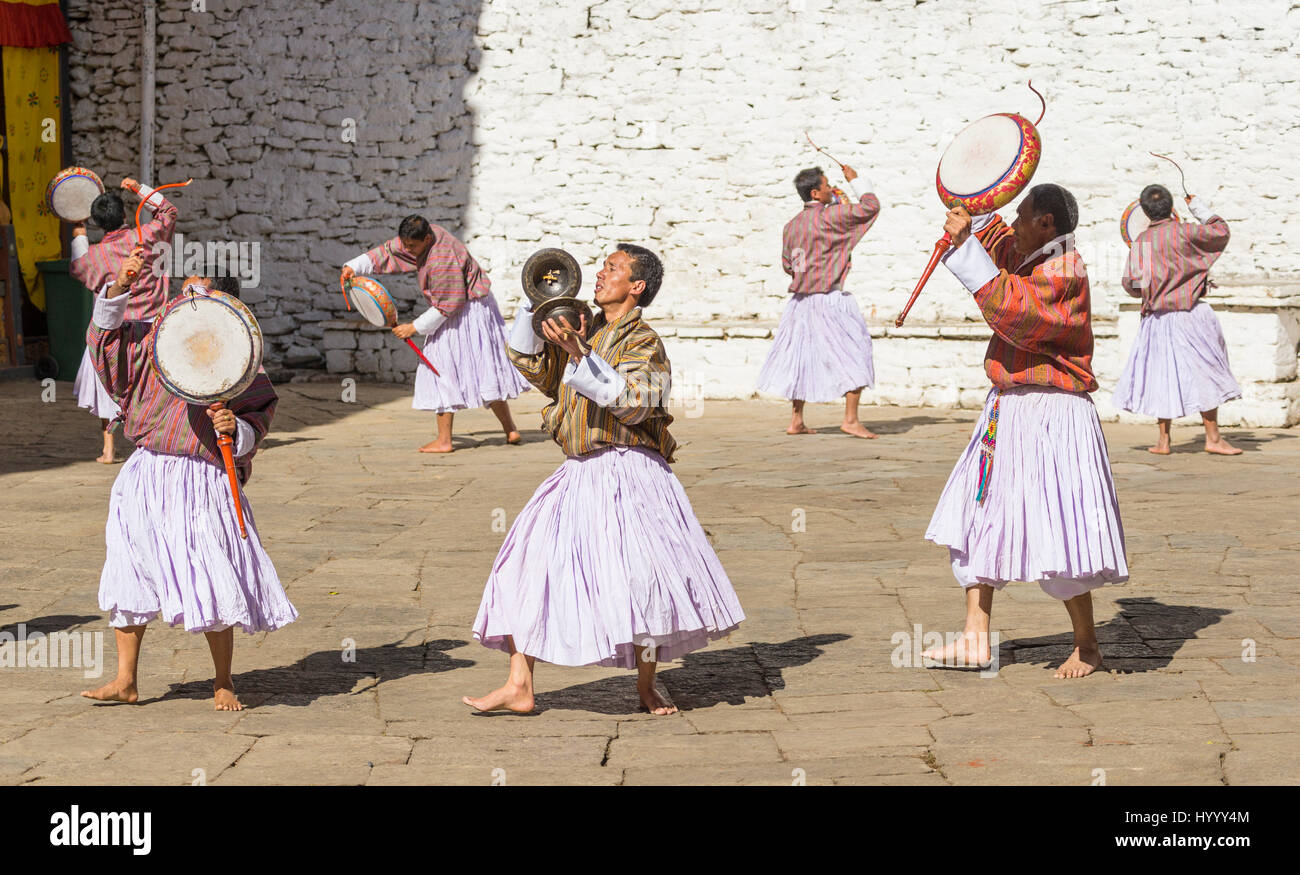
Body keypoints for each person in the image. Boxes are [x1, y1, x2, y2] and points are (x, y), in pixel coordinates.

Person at [464, 244, 745, 715]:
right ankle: (519, 684)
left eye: (612, 269)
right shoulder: (584, 325)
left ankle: (647, 685)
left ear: (636, 286)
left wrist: (581, 353)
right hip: (578, 470)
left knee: (642, 580)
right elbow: (535, 366)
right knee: (527, 565)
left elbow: (637, 402)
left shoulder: (645, 342)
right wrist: (538, 303)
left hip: (630, 470)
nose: (598, 274)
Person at [920, 184, 1127, 680]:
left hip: (1053, 413)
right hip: (1007, 408)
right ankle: (974, 636)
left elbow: (1018, 311)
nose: (1013, 222)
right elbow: (992, 241)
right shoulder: (1029, 253)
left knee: (1058, 526)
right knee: (977, 511)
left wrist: (968, 248)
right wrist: (970, 203)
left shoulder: (1064, 270)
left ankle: (1088, 645)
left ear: (1048, 223)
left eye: (1023, 213)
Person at [80, 254, 296, 710]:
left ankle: (223, 681)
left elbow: (261, 415)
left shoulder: (242, 361)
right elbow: (107, 345)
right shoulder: (159, 339)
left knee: (210, 569)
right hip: (146, 471)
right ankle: (125, 680)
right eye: (185, 294)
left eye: (198, 296)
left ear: (225, 305)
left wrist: (233, 428)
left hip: (202, 479)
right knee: (130, 567)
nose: (187, 303)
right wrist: (119, 286)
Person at [340, 216, 529, 452]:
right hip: (472, 305)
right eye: (405, 245)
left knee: (439, 366)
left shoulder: (442, 259)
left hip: (466, 311)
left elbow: (448, 303)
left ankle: (444, 440)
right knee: (485, 368)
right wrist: (354, 267)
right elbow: (390, 251)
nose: (407, 250)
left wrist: (414, 327)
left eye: (412, 247)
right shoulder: (426, 235)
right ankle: (510, 429)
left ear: (427, 239)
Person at [1114, 184, 1241, 455]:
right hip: (1191, 314)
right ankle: (1213, 438)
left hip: (1157, 318)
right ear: (1171, 207)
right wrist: (1199, 208)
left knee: (1163, 377)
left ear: (1145, 212)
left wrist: (1153, 286)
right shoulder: (1186, 233)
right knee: (1205, 372)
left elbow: (1130, 283)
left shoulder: (1142, 243)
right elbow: (1221, 232)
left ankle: (1163, 441)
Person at [756, 164, 881, 438]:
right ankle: (850, 419)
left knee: (801, 357)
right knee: (855, 351)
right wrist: (857, 181)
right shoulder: (830, 218)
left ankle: (796, 420)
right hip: (829, 300)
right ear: (816, 192)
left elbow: (788, 265)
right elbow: (870, 207)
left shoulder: (791, 226)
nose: (830, 188)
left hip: (800, 302)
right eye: (826, 186)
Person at [70, 179, 178, 463]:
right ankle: (155, 439)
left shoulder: (94, 257)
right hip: (154, 330)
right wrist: (138, 188)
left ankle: (108, 449)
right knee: (155, 389)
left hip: (116, 333)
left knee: (109, 387)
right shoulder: (148, 236)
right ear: (125, 217)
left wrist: (79, 236)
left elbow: (76, 267)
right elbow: (168, 211)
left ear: (98, 223)